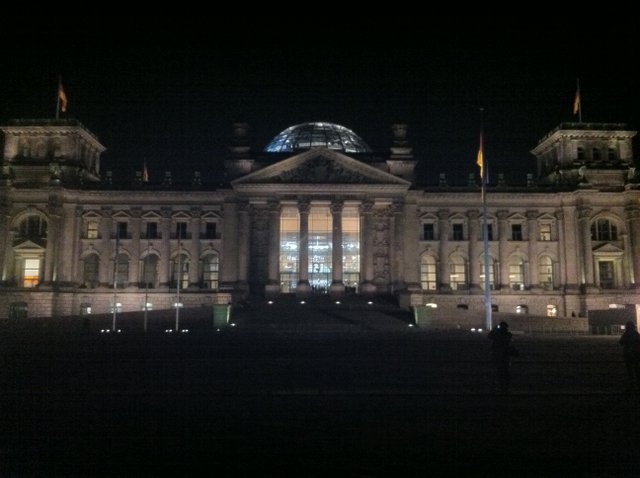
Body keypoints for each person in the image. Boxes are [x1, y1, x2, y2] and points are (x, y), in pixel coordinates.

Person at [488, 321, 517, 394]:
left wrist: (494, 329)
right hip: (505, 355)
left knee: (500, 372)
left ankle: (502, 387)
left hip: (499, 355)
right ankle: (505, 388)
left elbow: (490, 336)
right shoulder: (508, 334)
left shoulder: (499, 334)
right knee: (505, 372)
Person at [619, 320, 640, 392]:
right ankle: (637, 384)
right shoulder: (636, 333)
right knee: (636, 369)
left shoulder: (626, 334)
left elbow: (621, 342)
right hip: (636, 354)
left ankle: (632, 385)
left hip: (628, 354)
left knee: (630, 371)